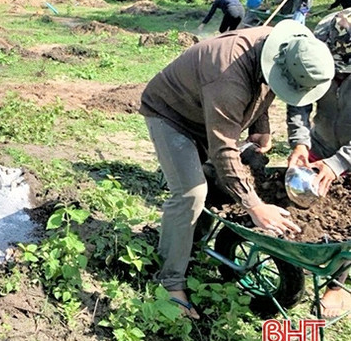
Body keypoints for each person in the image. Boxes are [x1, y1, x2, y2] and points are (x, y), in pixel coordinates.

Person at [140, 20, 335, 319]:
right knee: (191, 192)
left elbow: (263, 85)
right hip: (171, 113)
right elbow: (223, 151)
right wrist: (255, 207)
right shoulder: (227, 76)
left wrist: (261, 129)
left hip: (207, 107)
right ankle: (170, 284)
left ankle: (189, 242)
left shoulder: (287, 48)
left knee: (222, 178)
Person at [286, 10, 351, 317]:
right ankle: (302, 253)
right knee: (306, 201)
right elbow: (298, 94)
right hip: (321, 140)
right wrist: (300, 140)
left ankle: (336, 287)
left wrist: (339, 162)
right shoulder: (321, 38)